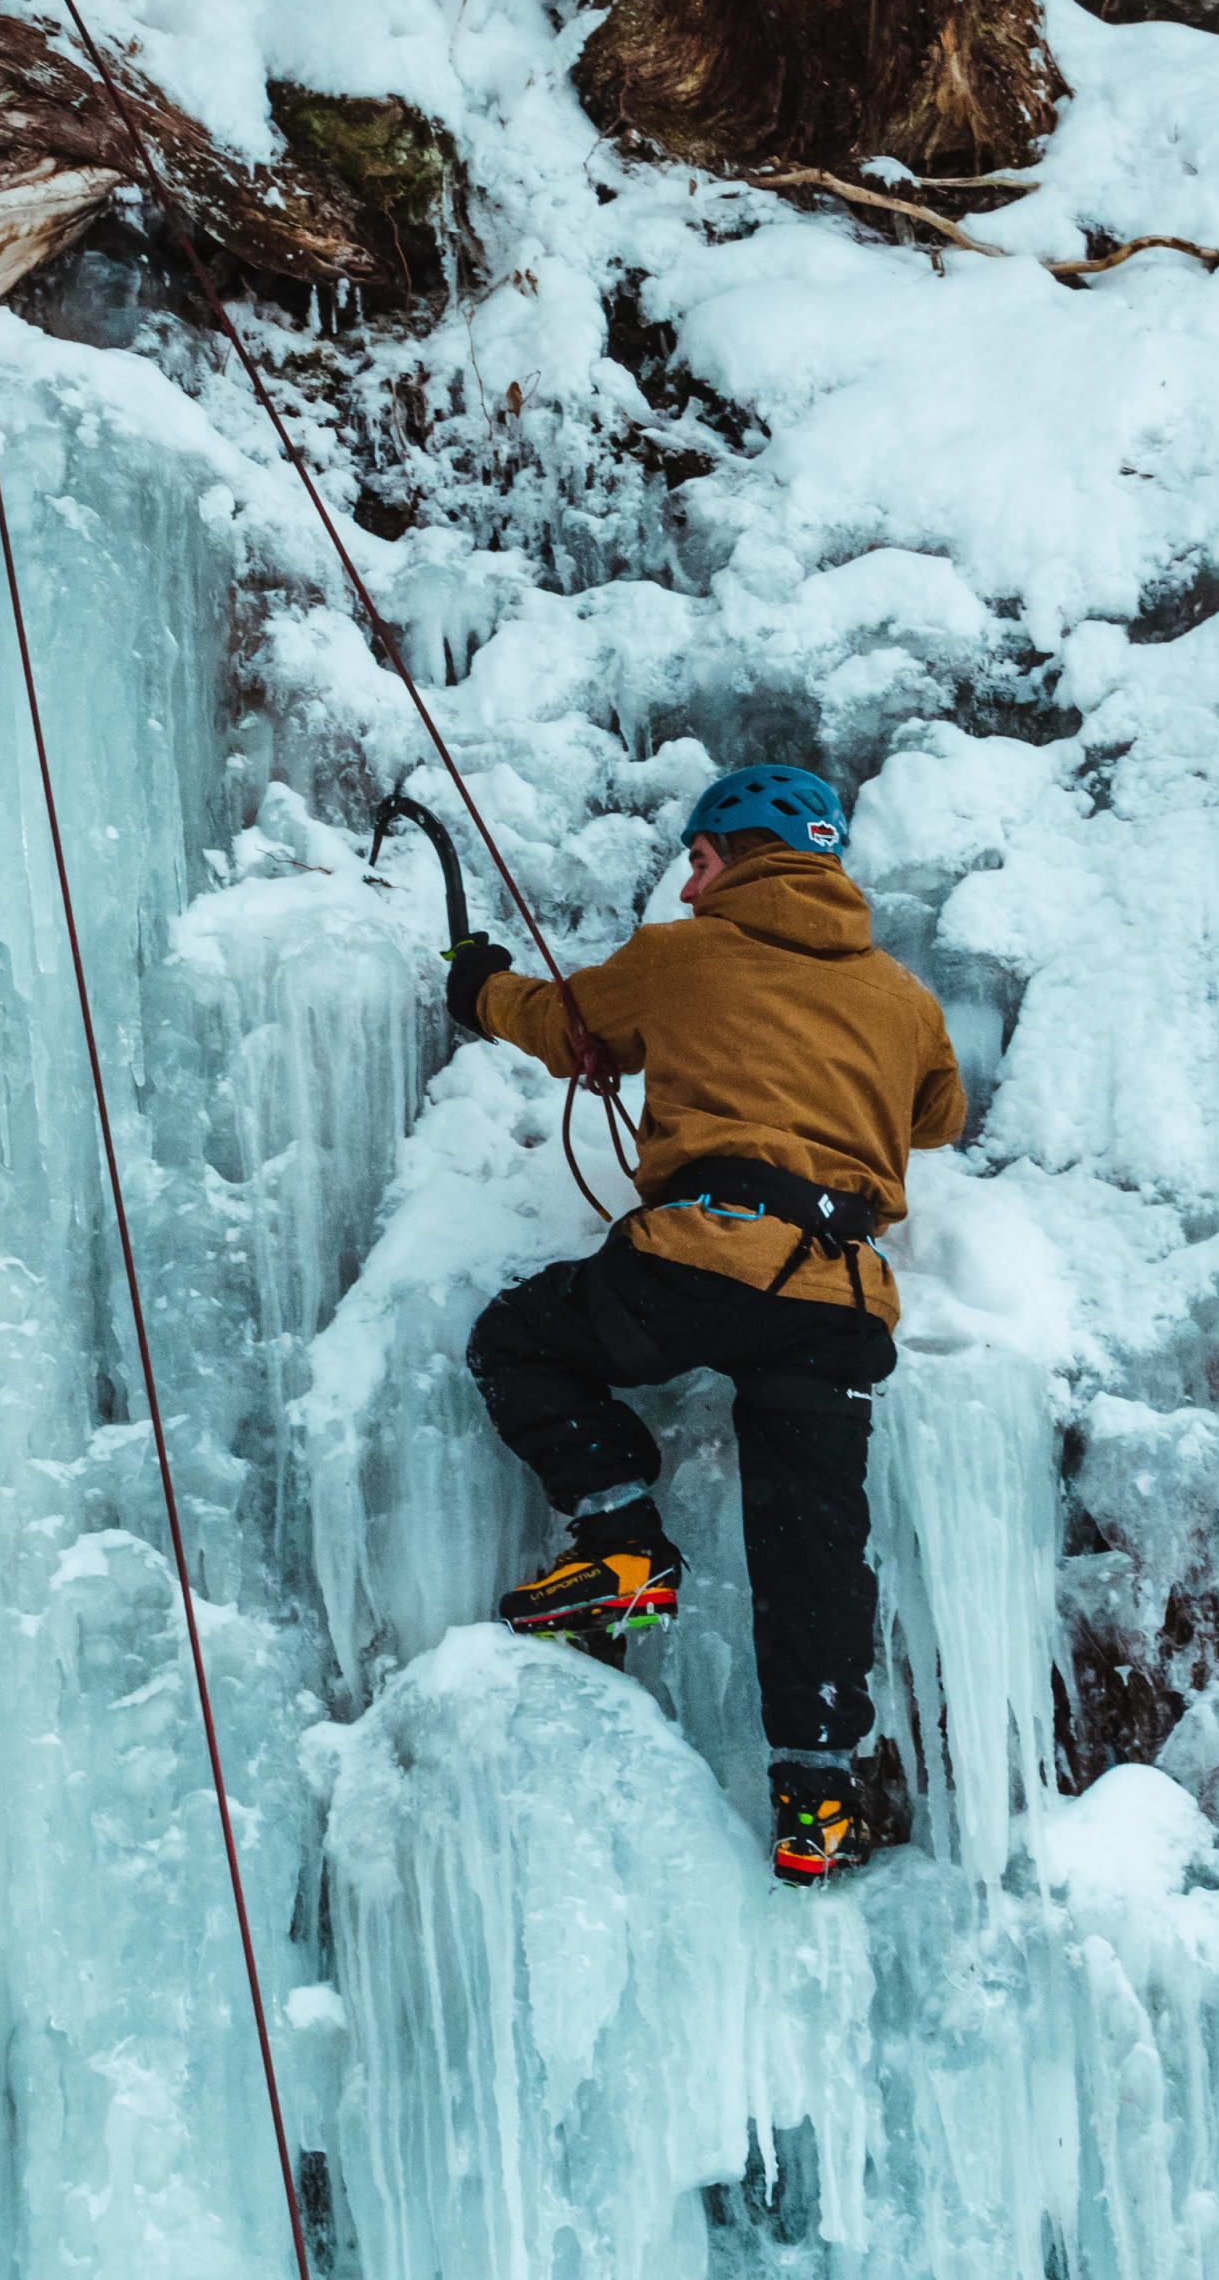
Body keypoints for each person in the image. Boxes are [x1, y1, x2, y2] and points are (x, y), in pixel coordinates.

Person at [442, 764, 965, 1883]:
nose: (688, 879)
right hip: (838, 1295)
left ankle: (623, 1540)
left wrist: (477, 984)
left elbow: (557, 1024)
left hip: (703, 1258)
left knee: (520, 1341)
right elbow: (940, 1113)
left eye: (697, 857)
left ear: (734, 849)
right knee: (812, 1536)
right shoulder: (904, 1000)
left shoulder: (684, 957)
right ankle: (818, 1797)